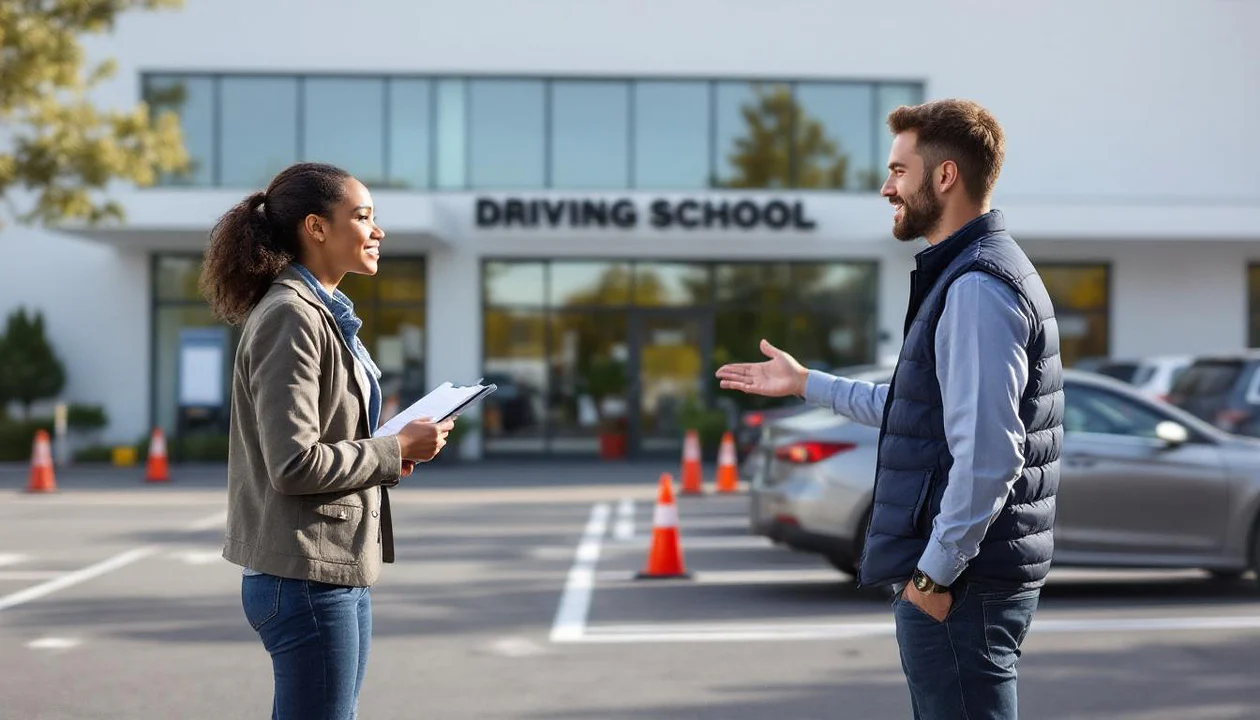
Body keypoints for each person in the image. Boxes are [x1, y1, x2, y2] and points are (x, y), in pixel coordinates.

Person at [716, 99, 1062, 720]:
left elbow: (990, 456)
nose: (887, 187)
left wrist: (932, 577)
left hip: (960, 589)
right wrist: (804, 383)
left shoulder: (977, 287)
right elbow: (920, 412)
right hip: (966, 584)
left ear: (945, 176)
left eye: (900, 171)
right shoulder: (969, 275)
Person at [201, 162, 455, 720]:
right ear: (316, 228)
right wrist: (394, 448)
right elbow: (293, 463)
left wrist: (395, 452)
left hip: (330, 569)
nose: (378, 231)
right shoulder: (291, 316)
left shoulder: (320, 313)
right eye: (362, 217)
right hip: (305, 578)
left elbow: (325, 441)